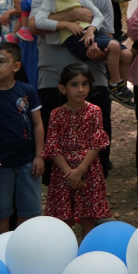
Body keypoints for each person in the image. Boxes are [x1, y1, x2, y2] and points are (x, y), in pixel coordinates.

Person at [0, 41, 42, 234]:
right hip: (0, 166)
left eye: (2, 61)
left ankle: (25, 245)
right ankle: (1, 247)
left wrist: (39, 156)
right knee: (1, 213)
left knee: (29, 211)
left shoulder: (27, 91)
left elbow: (38, 124)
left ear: (16, 66)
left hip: (28, 162)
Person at [43, 62, 112, 233]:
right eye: (74, 85)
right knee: (64, 218)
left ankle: (87, 248)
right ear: (62, 88)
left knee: (88, 217)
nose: (80, 89)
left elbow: (96, 143)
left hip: (88, 169)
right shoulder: (56, 114)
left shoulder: (95, 111)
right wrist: (70, 173)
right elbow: (53, 146)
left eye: (85, 84)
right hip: (63, 172)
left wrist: (80, 170)